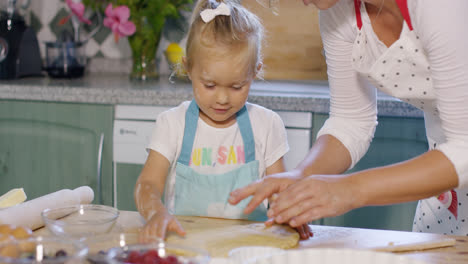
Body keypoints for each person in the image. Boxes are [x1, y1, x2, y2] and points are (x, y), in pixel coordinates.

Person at [229, 0, 468, 237]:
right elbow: (350, 121)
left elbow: (464, 148)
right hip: (444, 179)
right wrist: (301, 177)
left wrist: (351, 189)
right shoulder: (338, 11)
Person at [134, 0, 292, 240]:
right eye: (209, 85)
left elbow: (280, 192)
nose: (222, 98)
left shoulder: (267, 125)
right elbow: (147, 185)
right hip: (186, 245)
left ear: (255, 71)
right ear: (188, 68)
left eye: (237, 86)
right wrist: (156, 212)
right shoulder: (172, 124)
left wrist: (290, 214)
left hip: (249, 249)